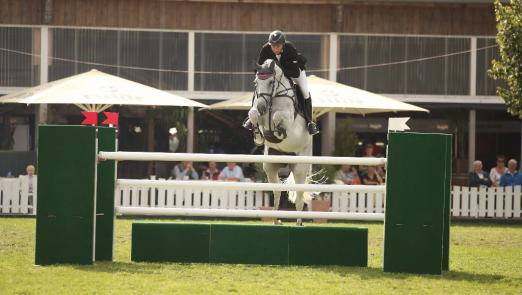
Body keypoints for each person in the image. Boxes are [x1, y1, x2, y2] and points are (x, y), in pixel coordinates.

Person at [243, 30, 319, 135]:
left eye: (278, 46)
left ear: (283, 45)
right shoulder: (265, 49)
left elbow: (295, 72)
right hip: (275, 75)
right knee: (260, 87)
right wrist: (261, 77)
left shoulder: (290, 48)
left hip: (295, 71)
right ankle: (251, 119)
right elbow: (259, 69)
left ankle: (310, 122)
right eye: (273, 46)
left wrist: (279, 72)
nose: (275, 49)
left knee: (305, 92)